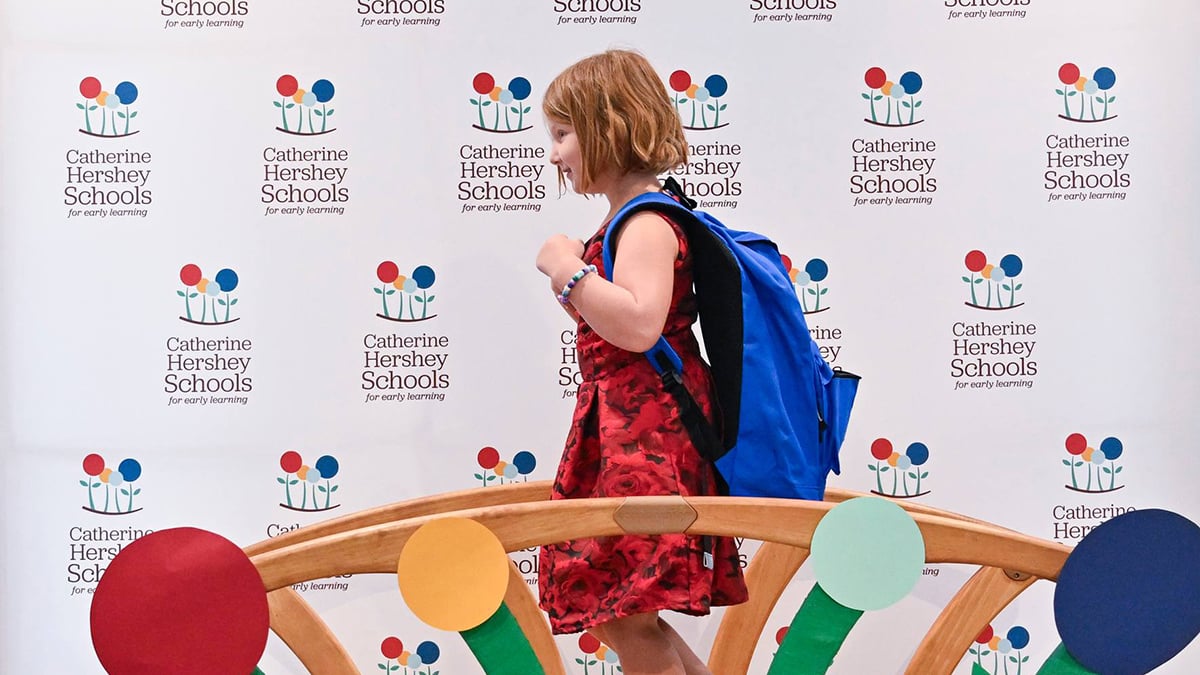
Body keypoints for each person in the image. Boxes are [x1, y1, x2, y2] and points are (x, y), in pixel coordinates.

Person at [535, 49, 748, 675]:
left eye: (563, 134)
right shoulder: (633, 219)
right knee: (622, 609)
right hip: (624, 430)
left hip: (648, 436)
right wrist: (575, 279)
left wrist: (564, 266)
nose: (555, 155)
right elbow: (618, 326)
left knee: (625, 610)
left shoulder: (648, 222)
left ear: (609, 126)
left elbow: (637, 323)